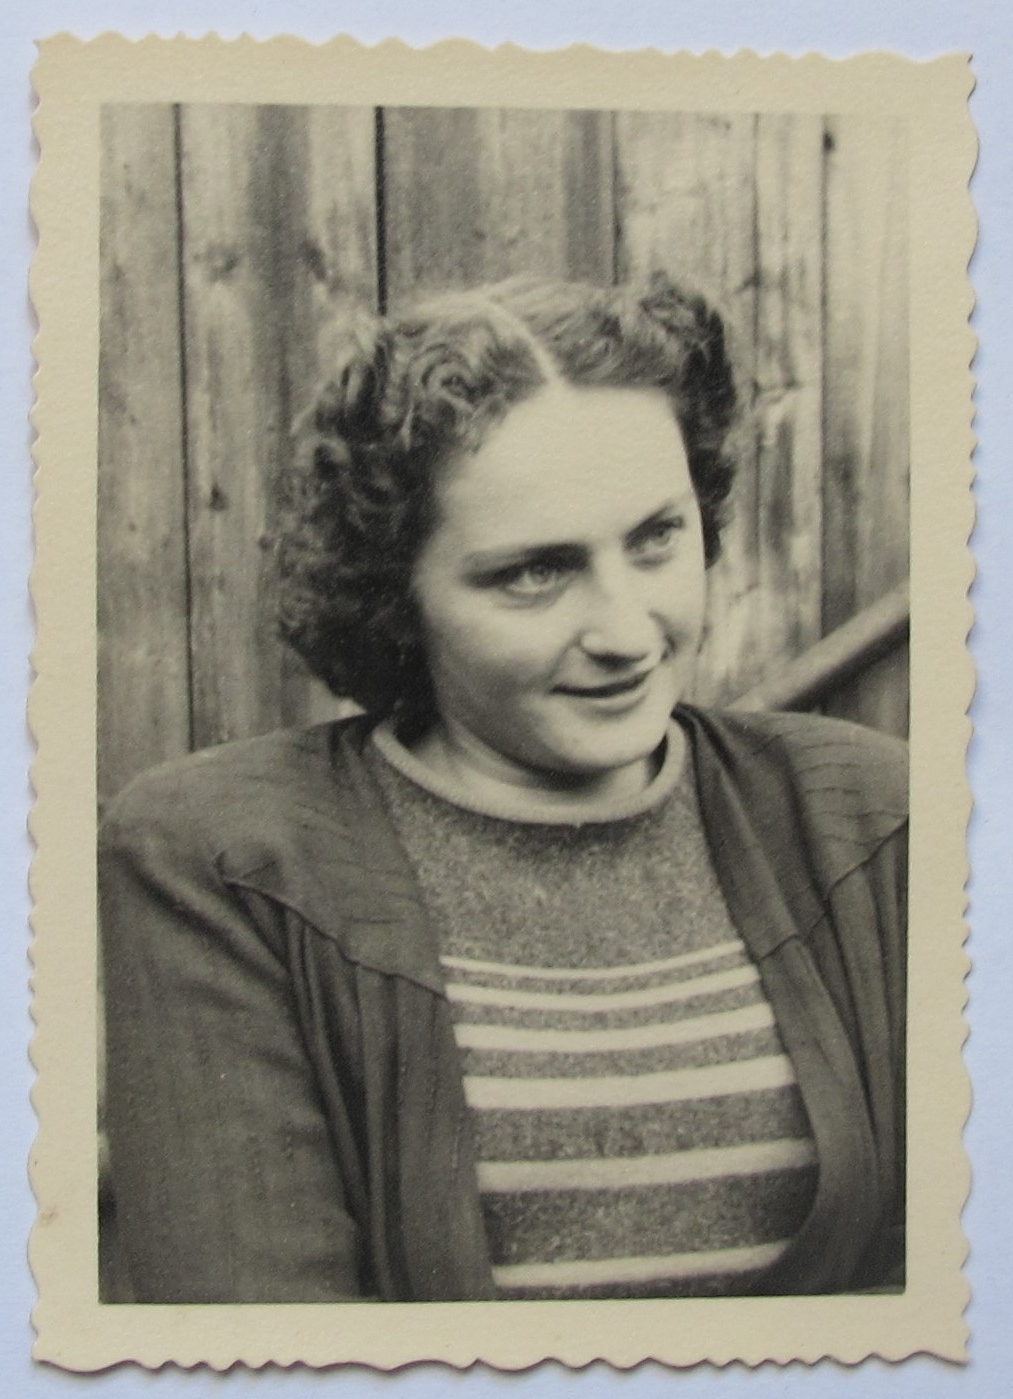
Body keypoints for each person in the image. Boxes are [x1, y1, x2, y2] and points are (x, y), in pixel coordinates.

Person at [99, 273, 907, 1304]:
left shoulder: (872, 820)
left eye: (656, 538)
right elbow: (263, 1343)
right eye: (534, 571)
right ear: (397, 592)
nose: (626, 631)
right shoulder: (223, 862)